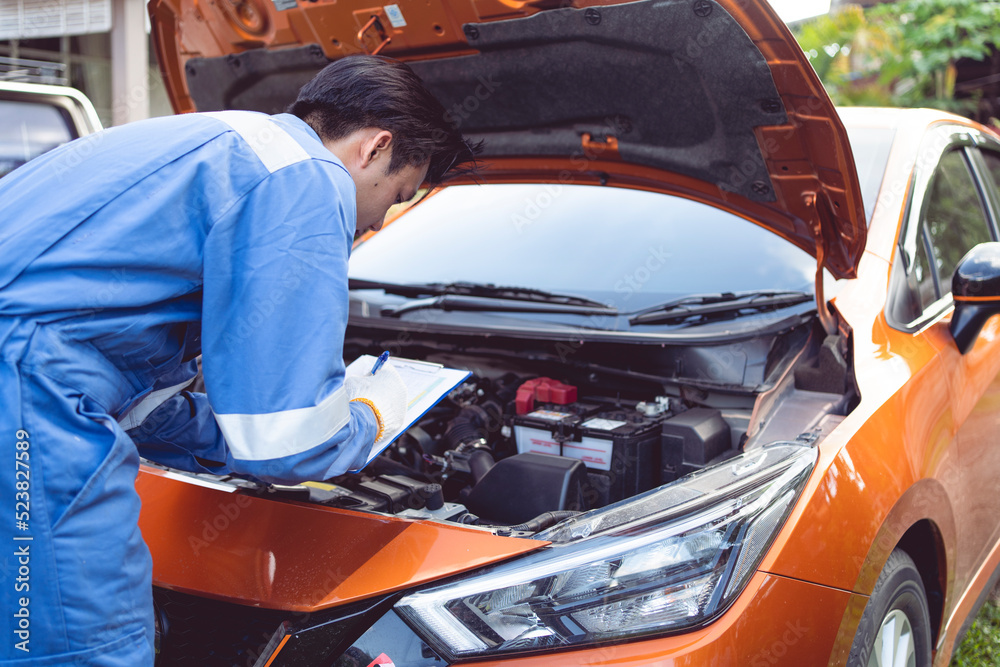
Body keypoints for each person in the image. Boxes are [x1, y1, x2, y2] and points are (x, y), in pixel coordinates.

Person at [0, 55, 478, 665]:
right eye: (397, 196)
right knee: (81, 645)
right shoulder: (303, 178)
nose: (377, 222)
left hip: (26, 379)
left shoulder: (214, 141)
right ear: (375, 148)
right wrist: (368, 412)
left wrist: (212, 427)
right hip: (25, 396)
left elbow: (127, 379)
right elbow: (289, 445)